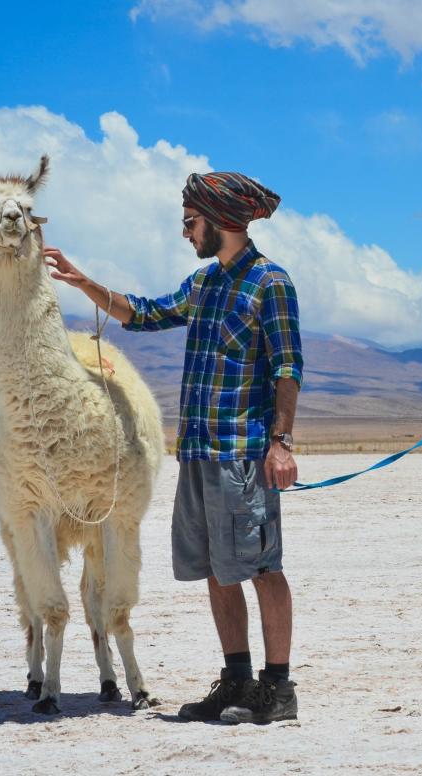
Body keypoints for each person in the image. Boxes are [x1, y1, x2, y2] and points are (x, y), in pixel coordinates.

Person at [45, 171, 303, 725]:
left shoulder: (270, 283)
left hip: (243, 453)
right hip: (199, 453)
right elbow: (144, 313)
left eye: (191, 222)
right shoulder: (204, 284)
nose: (185, 233)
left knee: (261, 567)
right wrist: (85, 284)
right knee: (214, 568)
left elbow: (287, 366)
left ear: (222, 221)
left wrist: (281, 442)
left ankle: (278, 690)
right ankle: (235, 682)